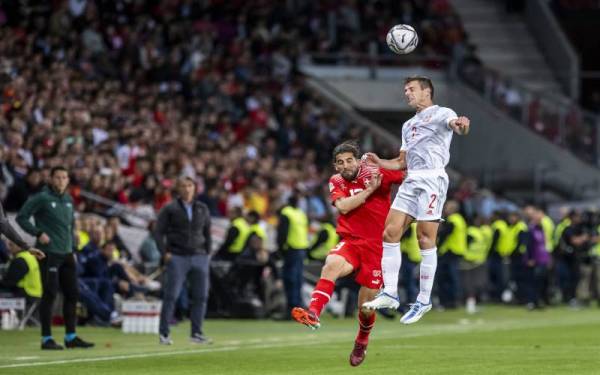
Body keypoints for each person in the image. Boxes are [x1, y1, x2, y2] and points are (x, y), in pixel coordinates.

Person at [362, 76, 470, 325]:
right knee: (389, 233)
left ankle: (423, 300)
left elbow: (458, 126)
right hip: (411, 179)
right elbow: (401, 162)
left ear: (426, 91)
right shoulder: (408, 125)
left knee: (424, 237)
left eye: (411, 89)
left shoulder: (443, 113)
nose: (407, 94)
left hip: (433, 179)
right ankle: (390, 292)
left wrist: (462, 125)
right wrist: (379, 162)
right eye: (405, 90)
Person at [291, 141, 404, 367]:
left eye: (349, 160)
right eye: (340, 162)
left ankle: (362, 340)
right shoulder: (337, 181)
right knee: (331, 264)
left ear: (358, 160)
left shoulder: (378, 172)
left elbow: (407, 175)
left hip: (377, 247)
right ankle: (313, 313)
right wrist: (370, 190)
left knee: (365, 308)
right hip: (351, 241)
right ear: (335, 166)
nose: (345, 165)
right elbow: (343, 207)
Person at [16, 166, 94, 350]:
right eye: (57, 177)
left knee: (73, 294)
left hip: (67, 253)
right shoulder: (41, 198)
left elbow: (71, 225)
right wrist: (38, 232)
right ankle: (46, 339)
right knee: (50, 293)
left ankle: (71, 336)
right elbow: (21, 218)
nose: (61, 181)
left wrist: (73, 248)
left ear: (68, 180)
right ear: (51, 179)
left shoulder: (68, 200)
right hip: (48, 253)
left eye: (64, 177)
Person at [155, 176, 212, 345]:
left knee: (201, 296)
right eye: (183, 186)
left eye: (190, 185)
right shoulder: (169, 208)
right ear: (178, 189)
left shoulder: (202, 208)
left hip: (199, 256)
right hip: (177, 256)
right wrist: (164, 252)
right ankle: (164, 333)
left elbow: (207, 232)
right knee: (171, 295)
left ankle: (196, 333)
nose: (187, 189)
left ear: (195, 188)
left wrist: (207, 252)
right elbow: (158, 232)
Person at [277, 194, 309, 317]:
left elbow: (282, 233)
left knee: (290, 279)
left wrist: (280, 249)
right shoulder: (301, 213)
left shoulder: (286, 212)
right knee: (298, 279)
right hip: (302, 248)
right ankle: (298, 307)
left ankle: (292, 309)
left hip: (291, 249)